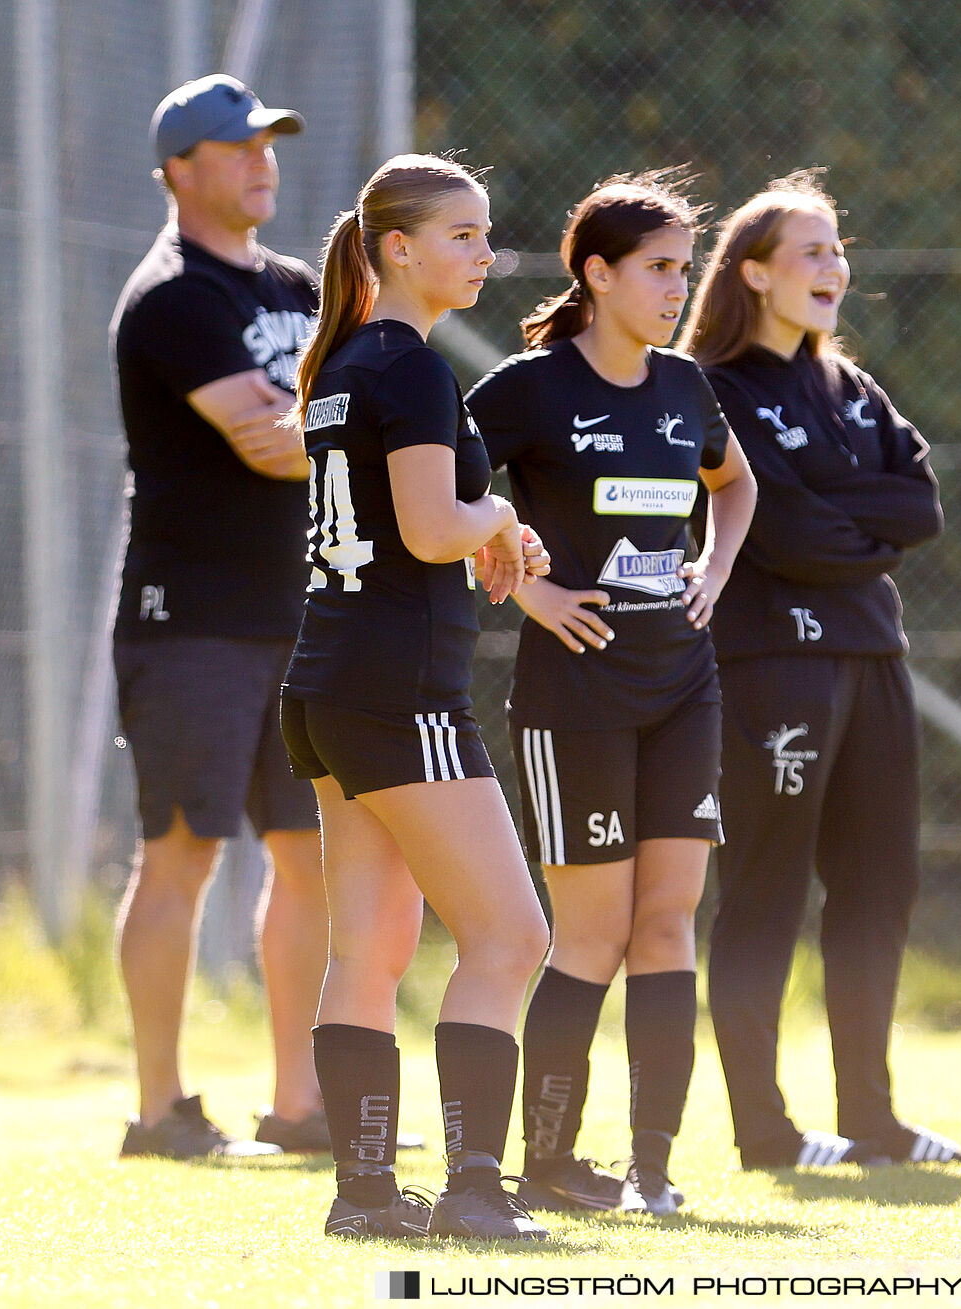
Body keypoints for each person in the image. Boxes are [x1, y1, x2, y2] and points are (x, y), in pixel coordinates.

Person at [465, 171, 757, 1217]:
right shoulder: (527, 387)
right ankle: (545, 1159)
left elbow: (735, 483)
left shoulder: (683, 386)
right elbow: (443, 497)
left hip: (683, 684)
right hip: (575, 696)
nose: (679, 287)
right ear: (597, 273)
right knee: (590, 933)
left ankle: (653, 1169)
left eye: (685, 267)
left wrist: (713, 572)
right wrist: (527, 588)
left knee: (668, 922)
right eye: (661, 268)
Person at [282, 153, 553, 1239]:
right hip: (401, 695)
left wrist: (487, 526)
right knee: (508, 936)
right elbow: (433, 528)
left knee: (370, 947)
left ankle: (364, 1195)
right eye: (462, 235)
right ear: (397, 248)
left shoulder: (348, 362)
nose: (485, 254)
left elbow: (419, 528)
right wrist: (493, 522)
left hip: (334, 682)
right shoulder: (408, 365)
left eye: (485, 235)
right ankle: (476, 1191)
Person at [682, 171, 961, 1170]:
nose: (832, 267)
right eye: (811, 250)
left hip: (872, 656)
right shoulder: (716, 388)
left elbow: (920, 506)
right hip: (775, 665)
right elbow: (784, 529)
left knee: (879, 885)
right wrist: (858, 522)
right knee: (762, 890)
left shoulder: (851, 388)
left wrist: (845, 520)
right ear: (753, 273)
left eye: (838, 249)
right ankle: (763, 1130)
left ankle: (870, 1119)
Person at [111, 73, 327, 1159]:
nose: (262, 161)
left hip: (300, 614)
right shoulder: (173, 296)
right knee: (183, 854)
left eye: (268, 142)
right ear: (179, 171)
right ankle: (159, 1112)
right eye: (238, 146)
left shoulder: (294, 284)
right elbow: (269, 438)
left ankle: (300, 1107)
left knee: (311, 854)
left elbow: (315, 423)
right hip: (189, 619)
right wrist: (366, 430)